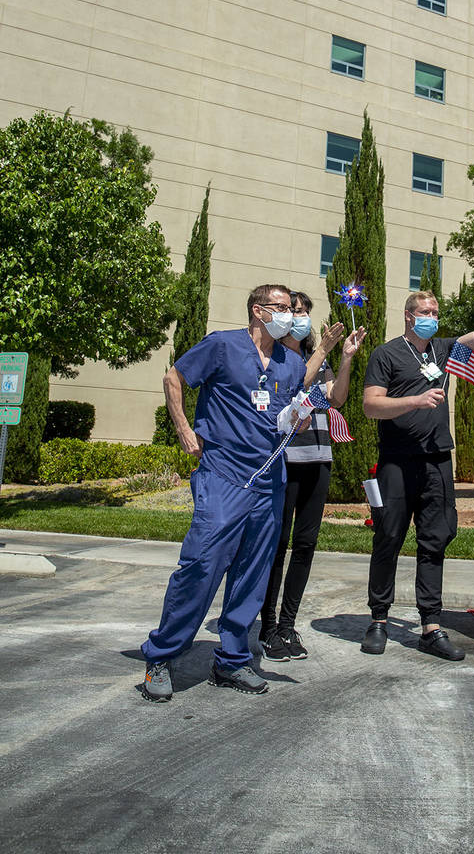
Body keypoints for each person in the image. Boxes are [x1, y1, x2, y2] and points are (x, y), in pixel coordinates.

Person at [139, 284, 308, 701]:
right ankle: (161, 655)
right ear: (258, 310)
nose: (290, 315)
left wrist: (297, 421)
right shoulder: (221, 346)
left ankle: (232, 660)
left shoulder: (290, 361)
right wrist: (183, 428)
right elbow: (173, 377)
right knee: (202, 563)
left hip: (269, 480)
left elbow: (283, 413)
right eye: (282, 308)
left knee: (252, 573)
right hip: (223, 474)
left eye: (292, 309)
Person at [360, 269, 474, 660]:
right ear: (409, 316)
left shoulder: (444, 350)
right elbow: (371, 405)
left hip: (437, 460)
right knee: (388, 537)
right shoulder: (386, 354)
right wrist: (414, 401)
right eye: (425, 311)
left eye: (435, 311)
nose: (432, 317)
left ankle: (431, 625)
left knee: (433, 541)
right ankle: (378, 619)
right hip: (397, 461)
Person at [259, 290, 365, 660]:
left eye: (303, 312)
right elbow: (294, 387)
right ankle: (266, 626)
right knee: (276, 546)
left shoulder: (315, 358)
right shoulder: (275, 358)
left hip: (318, 457)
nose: (299, 318)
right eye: (294, 311)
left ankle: (288, 625)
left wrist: (347, 358)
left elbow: (336, 397)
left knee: (305, 545)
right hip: (286, 458)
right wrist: (323, 353)